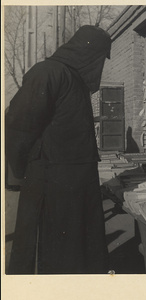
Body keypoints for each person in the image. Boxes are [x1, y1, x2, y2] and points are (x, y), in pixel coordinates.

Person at [5, 25, 111, 274]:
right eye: (99, 57)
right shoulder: (49, 72)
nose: (99, 65)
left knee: (72, 256)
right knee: (50, 257)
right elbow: (19, 126)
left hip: (74, 185)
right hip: (51, 183)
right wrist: (21, 172)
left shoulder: (75, 81)